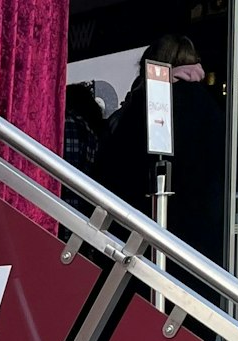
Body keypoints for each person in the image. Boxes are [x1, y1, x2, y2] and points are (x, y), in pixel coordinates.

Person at [92, 34, 228, 264]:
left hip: (149, 238)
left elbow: (112, 171)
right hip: (205, 245)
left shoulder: (146, 106)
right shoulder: (214, 109)